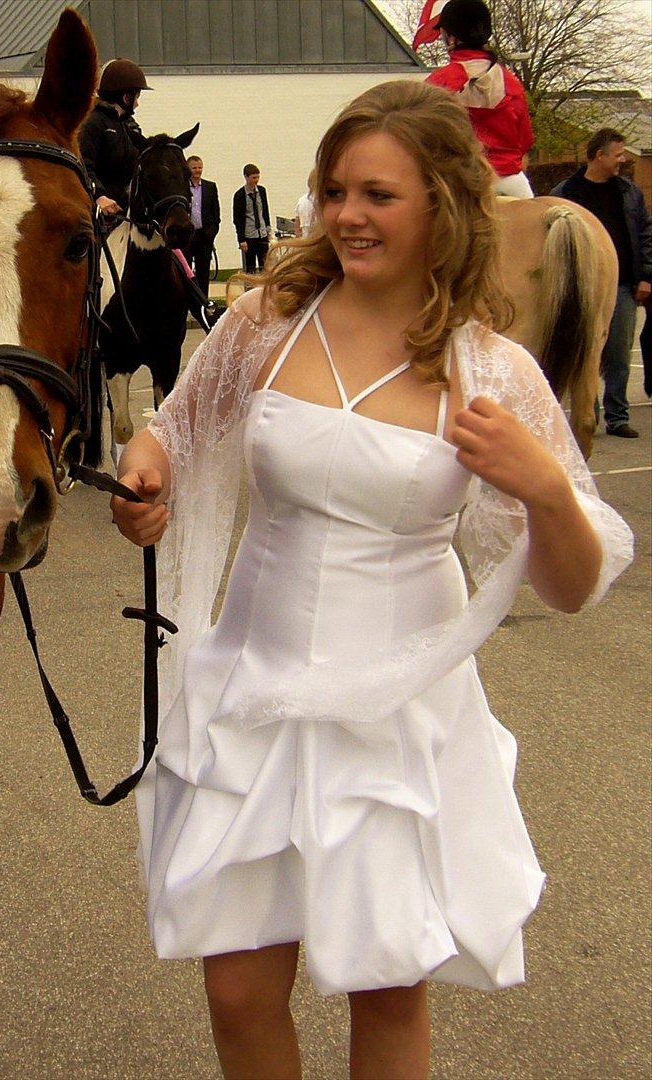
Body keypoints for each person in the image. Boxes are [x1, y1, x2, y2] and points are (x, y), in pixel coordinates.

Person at [112, 81, 632, 1079]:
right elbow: (175, 427)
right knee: (236, 989)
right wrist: (148, 475)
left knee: (386, 985)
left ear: (443, 202)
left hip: (397, 714)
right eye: (338, 189)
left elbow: (572, 585)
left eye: (379, 195)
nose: (348, 214)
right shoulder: (265, 324)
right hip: (254, 688)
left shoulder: (495, 375)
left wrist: (545, 491)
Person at [551, 129, 652, 439]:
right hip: (580, 287)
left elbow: (645, 235)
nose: (623, 159)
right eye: (618, 154)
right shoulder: (565, 193)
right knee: (584, 352)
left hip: (622, 285)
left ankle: (618, 416)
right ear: (600, 156)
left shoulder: (629, 192)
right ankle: (587, 414)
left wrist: (646, 275)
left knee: (619, 353)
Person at [425, 0, 535, 199]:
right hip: (511, 183)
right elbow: (525, 140)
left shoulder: (437, 83)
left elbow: (424, 141)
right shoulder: (512, 82)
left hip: (461, 184)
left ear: (451, 37)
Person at [77, 57, 149, 218]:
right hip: (98, 212)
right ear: (126, 97)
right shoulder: (93, 123)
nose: (137, 104)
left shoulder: (129, 126)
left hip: (124, 212)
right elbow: (83, 164)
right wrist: (99, 196)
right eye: (136, 98)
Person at [186, 155, 221, 298]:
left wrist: (211, 232)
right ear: (188, 169)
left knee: (203, 272)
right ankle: (188, 300)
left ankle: (203, 302)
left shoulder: (210, 187)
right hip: (187, 236)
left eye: (199, 167)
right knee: (186, 271)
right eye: (194, 168)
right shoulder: (182, 186)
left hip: (204, 236)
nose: (197, 170)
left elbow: (215, 213)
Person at [233, 164, 272, 271]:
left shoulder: (262, 191)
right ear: (246, 177)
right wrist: (241, 239)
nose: (256, 180)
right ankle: (250, 287)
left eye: (257, 177)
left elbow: (265, 212)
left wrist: (268, 231)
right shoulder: (239, 195)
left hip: (262, 233)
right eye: (253, 178)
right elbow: (238, 219)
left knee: (264, 265)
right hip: (249, 235)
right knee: (250, 267)